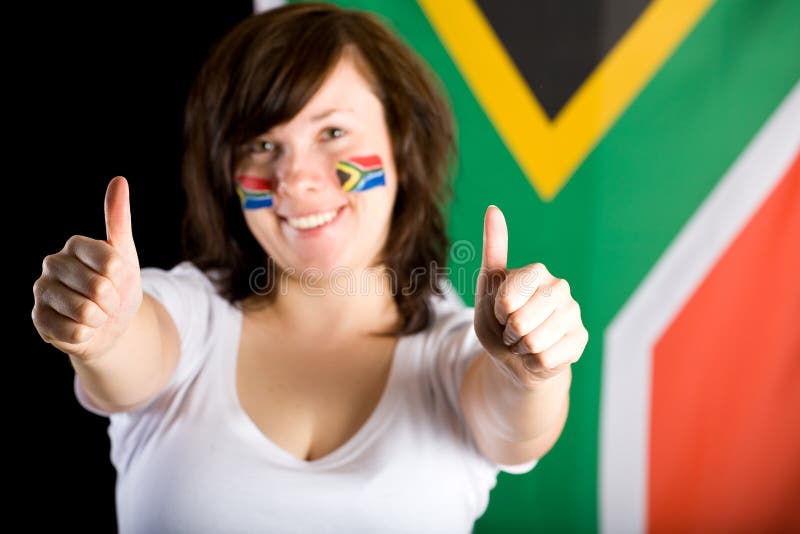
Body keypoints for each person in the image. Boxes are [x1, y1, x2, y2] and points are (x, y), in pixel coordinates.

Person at [31, 3, 588, 532]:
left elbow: (516, 425)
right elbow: (132, 353)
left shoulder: (452, 352)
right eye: (264, 144)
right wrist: (103, 331)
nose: (294, 179)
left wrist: (531, 370)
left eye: (332, 132)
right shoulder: (190, 316)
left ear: (399, 143)